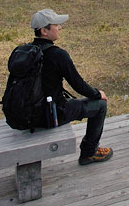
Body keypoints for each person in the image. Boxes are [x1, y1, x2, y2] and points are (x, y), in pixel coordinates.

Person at [31, 8, 113, 165]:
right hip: (50, 115)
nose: (60, 28)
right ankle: (89, 153)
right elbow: (78, 85)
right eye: (56, 25)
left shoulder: (27, 51)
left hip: (29, 114)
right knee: (100, 106)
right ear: (44, 31)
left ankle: (90, 151)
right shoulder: (57, 55)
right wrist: (97, 94)